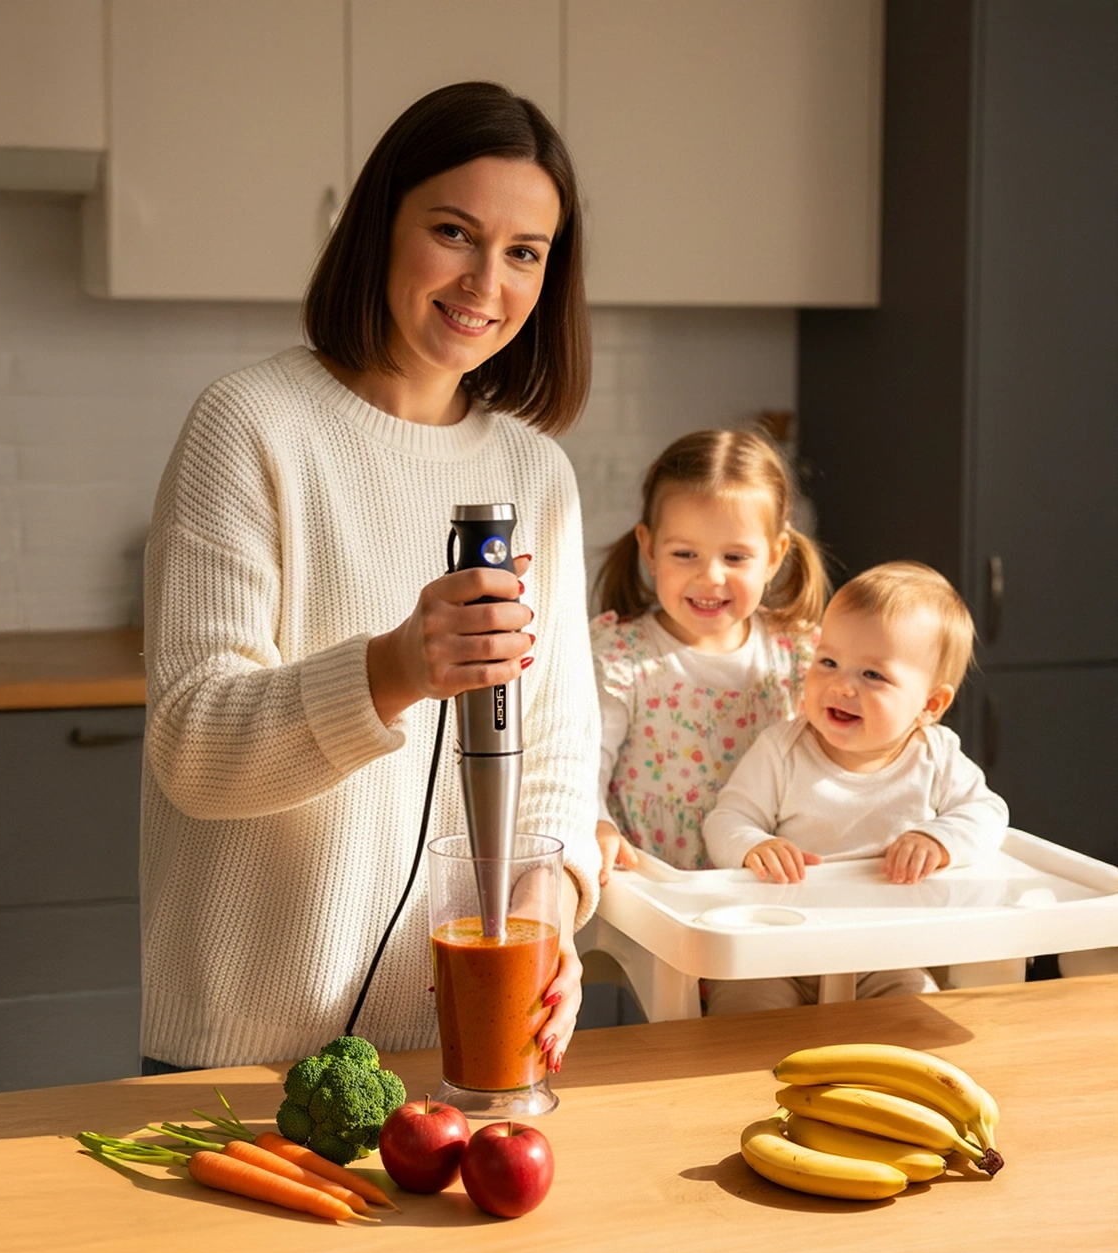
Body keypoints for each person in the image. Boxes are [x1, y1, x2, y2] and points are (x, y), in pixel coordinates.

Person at [140, 82, 600, 1075]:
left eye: (524, 252)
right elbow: (192, 749)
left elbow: (559, 752)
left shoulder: (537, 474)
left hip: (465, 1039)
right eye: (453, 231)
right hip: (244, 1057)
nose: (485, 281)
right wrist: (396, 667)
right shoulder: (251, 425)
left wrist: (547, 899)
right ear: (378, 225)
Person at [702, 561, 1010, 1013]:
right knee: (744, 1015)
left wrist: (938, 839)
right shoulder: (782, 750)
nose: (841, 685)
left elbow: (988, 812)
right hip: (777, 948)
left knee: (917, 1010)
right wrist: (753, 845)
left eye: (873, 675)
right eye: (828, 662)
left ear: (930, 704)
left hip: (884, 951)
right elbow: (726, 818)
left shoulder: (936, 755)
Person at [590, 427, 827, 888]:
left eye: (735, 557)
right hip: (655, 895)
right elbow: (585, 766)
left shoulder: (798, 657)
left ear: (775, 555)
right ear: (649, 549)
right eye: (685, 554)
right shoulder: (623, 659)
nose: (711, 576)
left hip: (763, 895)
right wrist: (597, 825)